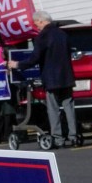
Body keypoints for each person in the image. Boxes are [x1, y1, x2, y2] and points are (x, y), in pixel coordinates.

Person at [32, 13, 77, 148]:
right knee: (69, 107)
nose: (36, 26)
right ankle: (73, 135)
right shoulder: (63, 34)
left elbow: (35, 58)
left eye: (36, 23)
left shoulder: (42, 36)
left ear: (41, 21)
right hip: (66, 76)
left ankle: (58, 138)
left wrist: (17, 64)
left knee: (53, 109)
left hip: (51, 78)